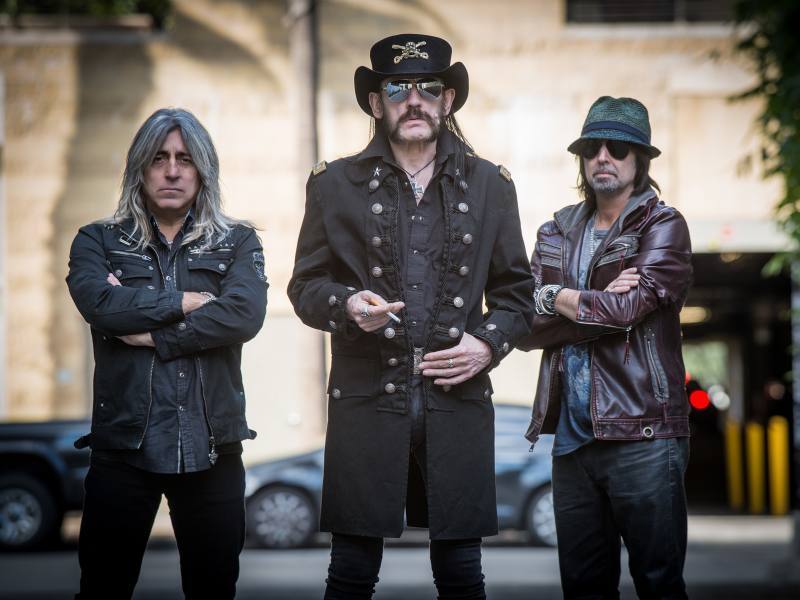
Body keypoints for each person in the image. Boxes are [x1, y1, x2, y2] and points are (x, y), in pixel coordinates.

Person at [288, 33, 534, 600]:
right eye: (398, 88)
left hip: (458, 399)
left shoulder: (491, 185)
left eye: (428, 87)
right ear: (377, 103)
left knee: (462, 572)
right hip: (366, 396)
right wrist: (348, 305)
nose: (414, 99)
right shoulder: (332, 185)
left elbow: (518, 295)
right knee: (350, 570)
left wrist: (486, 345)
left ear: (448, 99)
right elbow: (304, 287)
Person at [66, 108, 268, 599]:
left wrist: (155, 334)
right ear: (139, 168)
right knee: (102, 590)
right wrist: (188, 302)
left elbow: (244, 315)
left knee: (213, 591)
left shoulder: (236, 241)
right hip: (123, 449)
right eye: (159, 158)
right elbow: (100, 305)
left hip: (213, 447)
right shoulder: (98, 240)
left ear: (203, 169)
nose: (172, 171)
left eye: (185, 158)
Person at [519, 96, 693, 599]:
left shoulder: (662, 225)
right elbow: (524, 325)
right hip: (572, 443)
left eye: (617, 148)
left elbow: (628, 308)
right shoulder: (555, 230)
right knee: (584, 588)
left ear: (641, 160)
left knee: (659, 584)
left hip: (644, 433)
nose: (602, 157)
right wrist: (588, 302)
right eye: (592, 147)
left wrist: (554, 297)